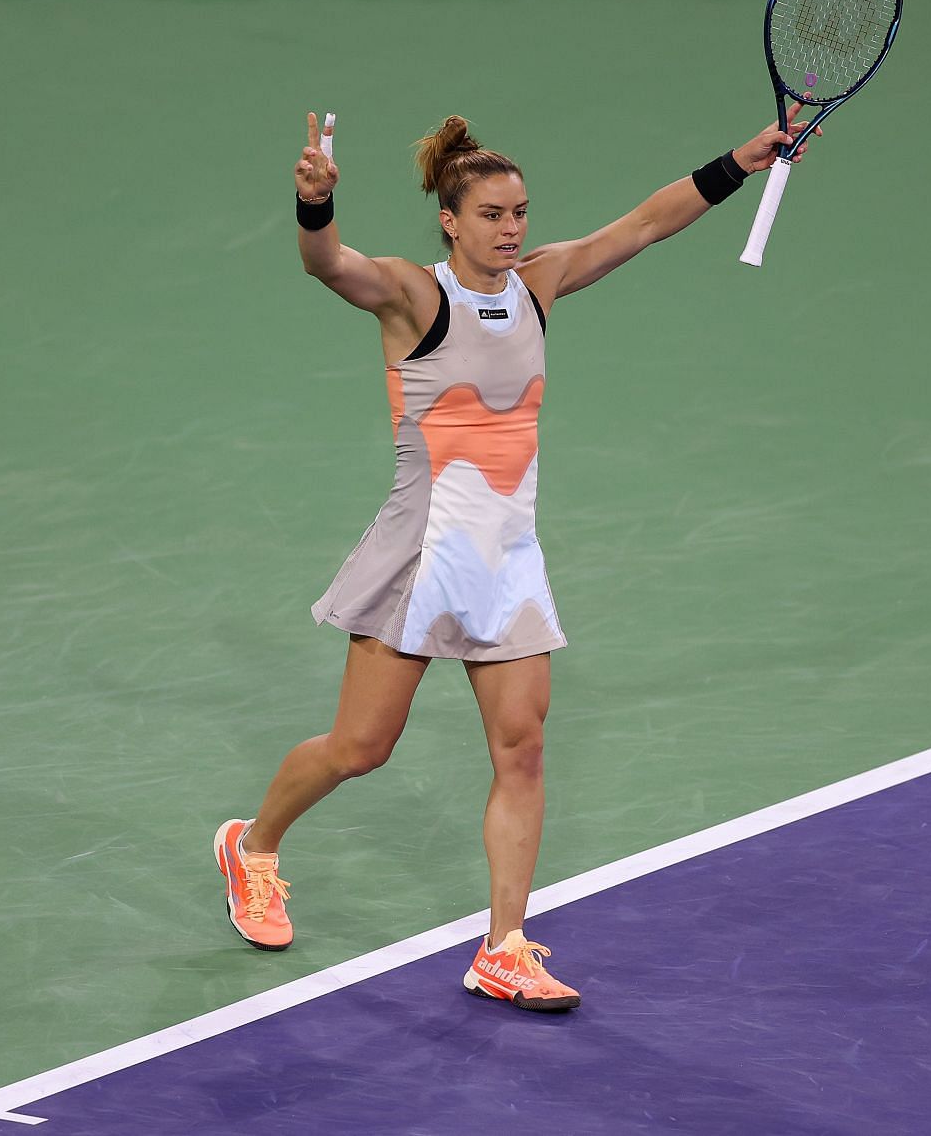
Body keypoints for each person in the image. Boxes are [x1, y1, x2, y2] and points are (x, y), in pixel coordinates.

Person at [215, 106, 811, 1012]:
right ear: (451, 220)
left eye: (521, 211)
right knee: (361, 747)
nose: (513, 228)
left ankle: (504, 944)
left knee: (523, 750)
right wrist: (314, 208)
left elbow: (645, 224)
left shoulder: (541, 282)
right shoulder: (415, 294)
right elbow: (330, 266)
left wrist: (742, 158)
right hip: (420, 556)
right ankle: (252, 845)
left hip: (507, 555)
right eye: (493, 214)